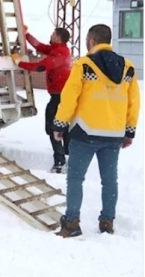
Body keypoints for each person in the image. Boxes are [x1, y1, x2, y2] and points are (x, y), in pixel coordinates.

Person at [51, 24, 140, 238]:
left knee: (75, 178)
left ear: (91, 40)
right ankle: (107, 222)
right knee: (110, 180)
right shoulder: (127, 67)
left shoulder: (83, 65)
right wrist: (129, 131)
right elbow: (134, 102)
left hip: (85, 133)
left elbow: (69, 98)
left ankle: (71, 223)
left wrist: (60, 125)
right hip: (114, 135)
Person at [11, 26, 73, 173]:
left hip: (60, 97)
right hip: (61, 96)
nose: (50, 36)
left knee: (54, 128)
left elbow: (40, 67)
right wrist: (26, 35)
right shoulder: (59, 49)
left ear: (58, 37)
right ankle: (67, 159)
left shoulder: (59, 53)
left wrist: (19, 63)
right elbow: (40, 47)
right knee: (62, 127)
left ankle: (60, 162)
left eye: (53, 34)